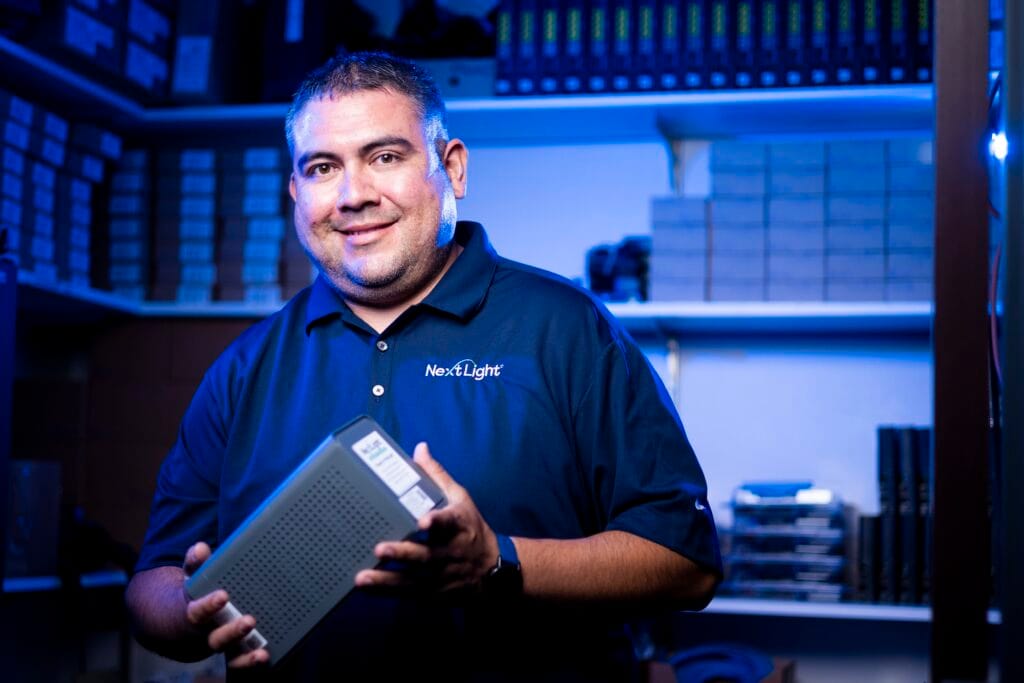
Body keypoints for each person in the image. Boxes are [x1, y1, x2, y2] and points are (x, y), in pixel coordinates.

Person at [126, 52, 721, 682]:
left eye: (385, 157)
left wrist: (498, 561)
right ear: (297, 193)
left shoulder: (568, 330)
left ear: (452, 167)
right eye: (324, 168)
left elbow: (687, 562)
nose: (354, 195)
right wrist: (192, 615)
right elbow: (153, 582)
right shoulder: (247, 368)